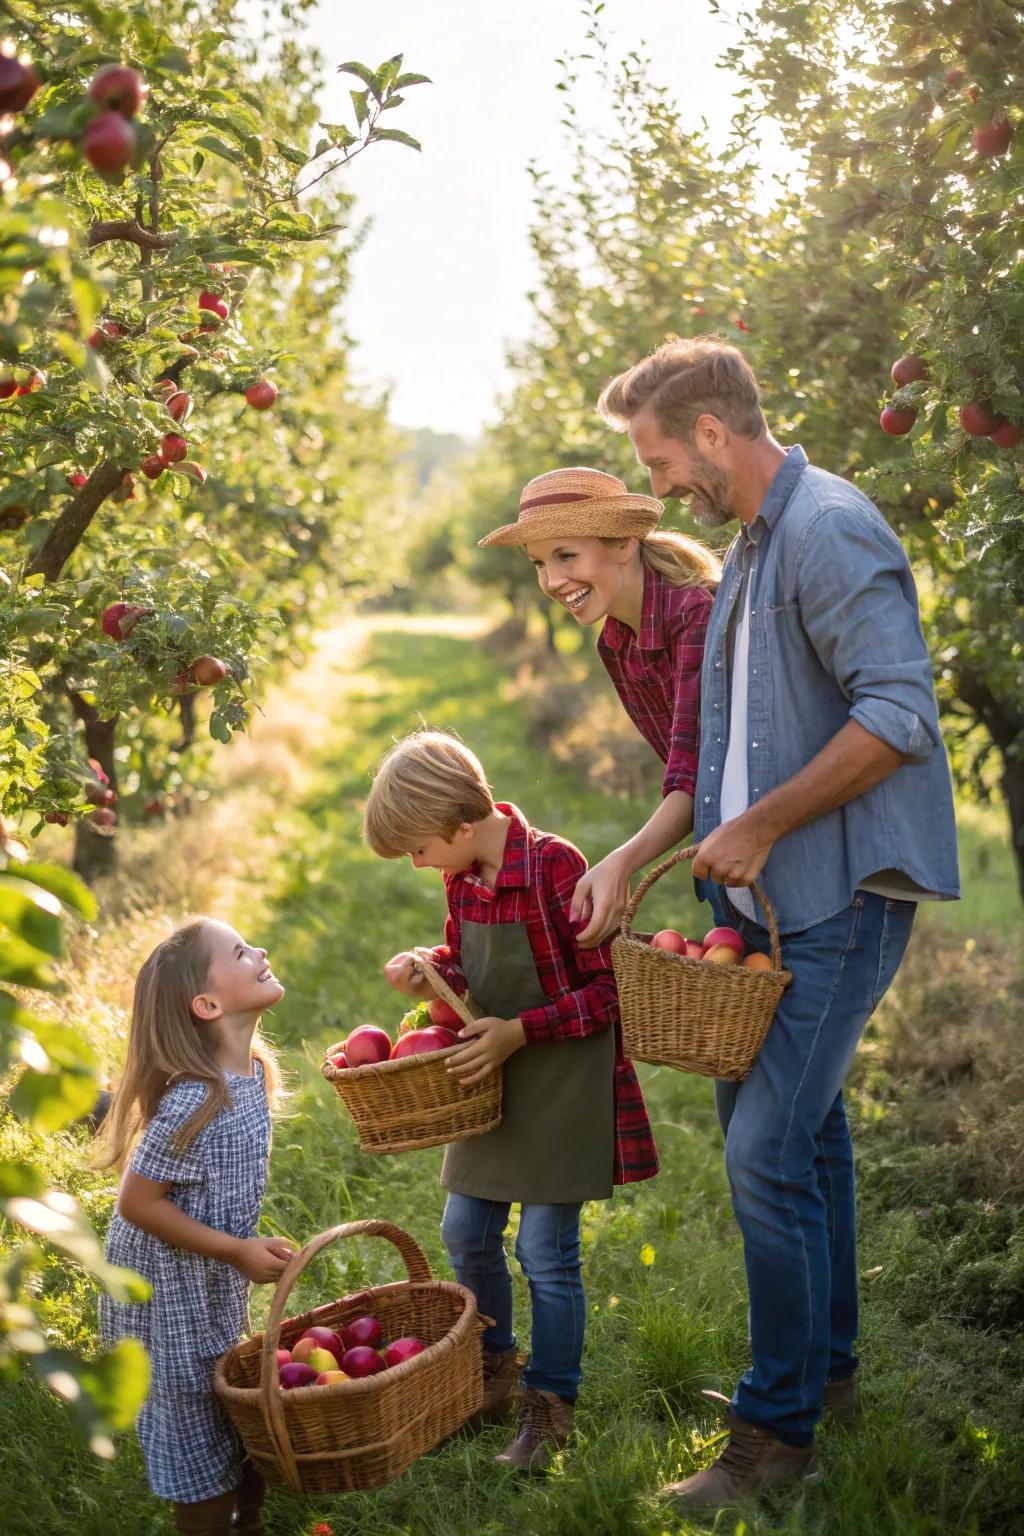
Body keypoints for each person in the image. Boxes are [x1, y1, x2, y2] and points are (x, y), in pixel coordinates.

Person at [597, 334, 959, 1509]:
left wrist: (761, 829)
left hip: (835, 895)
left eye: (660, 459)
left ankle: (774, 1440)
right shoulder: (755, 542)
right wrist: (681, 848)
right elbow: (733, 734)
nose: (659, 488)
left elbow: (899, 710)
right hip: (755, 904)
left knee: (762, 1155)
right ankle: (830, 1375)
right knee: (806, 1142)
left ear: (712, 432)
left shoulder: (827, 527)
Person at [363, 729, 658, 1473]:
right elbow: (468, 970)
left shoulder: (557, 867)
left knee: (544, 1253)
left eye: (417, 848)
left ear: (462, 827)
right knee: (465, 1229)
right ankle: (493, 1368)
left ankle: (550, 1406)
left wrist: (523, 1032)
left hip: (564, 1076)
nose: (416, 863)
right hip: (496, 1075)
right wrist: (431, 971)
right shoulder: (461, 879)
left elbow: (611, 988)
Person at [96, 918, 293, 1536]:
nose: (259, 950)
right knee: (193, 1432)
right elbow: (138, 1203)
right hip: (165, 1295)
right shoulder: (195, 1100)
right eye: (239, 952)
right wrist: (237, 1249)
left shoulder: (255, 1074)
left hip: (209, 1283)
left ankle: (249, 1525)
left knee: (238, 1412)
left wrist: (237, 1253)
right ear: (206, 1005)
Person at [479, 465, 720, 947]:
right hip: (726, 849)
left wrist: (622, 862)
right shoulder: (617, 642)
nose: (551, 580)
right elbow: (684, 772)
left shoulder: (694, 616)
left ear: (624, 543)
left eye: (566, 555)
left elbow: (694, 774)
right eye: (539, 563)